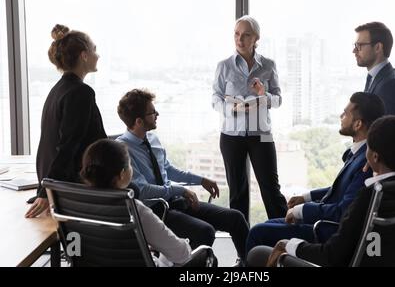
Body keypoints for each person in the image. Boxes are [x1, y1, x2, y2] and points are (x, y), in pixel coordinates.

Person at [247, 115, 395, 267]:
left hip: (337, 257)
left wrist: (288, 245)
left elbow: (331, 255)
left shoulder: (370, 196)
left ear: (374, 157)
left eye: (368, 147)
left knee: (257, 253)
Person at [116, 89, 249, 265]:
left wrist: (201, 180)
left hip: (175, 201)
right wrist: (181, 190)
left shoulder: (153, 139)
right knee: (205, 232)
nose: (157, 114)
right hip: (157, 210)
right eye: (152, 112)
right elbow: (143, 190)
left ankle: (248, 265)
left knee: (236, 218)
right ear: (139, 121)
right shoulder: (122, 149)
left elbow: (168, 170)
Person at [245, 92, 385, 256]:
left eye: (346, 113)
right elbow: (341, 190)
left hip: (326, 230)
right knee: (268, 225)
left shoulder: (365, 164)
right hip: (323, 222)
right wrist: (307, 197)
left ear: (358, 124)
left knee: (258, 233)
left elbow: (343, 212)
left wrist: (302, 210)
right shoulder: (361, 153)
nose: (341, 116)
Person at [80, 139, 215, 267]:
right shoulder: (134, 210)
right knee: (206, 255)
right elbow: (181, 254)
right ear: (122, 174)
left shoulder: (76, 205)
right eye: (130, 165)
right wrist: (182, 244)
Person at [26, 24, 107, 218]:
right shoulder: (80, 92)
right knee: (137, 195)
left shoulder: (58, 90)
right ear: (83, 55)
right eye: (94, 50)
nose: (98, 55)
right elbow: (68, 145)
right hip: (72, 189)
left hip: (59, 185)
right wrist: (46, 190)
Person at [212, 15, 287, 222]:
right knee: (238, 193)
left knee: (271, 190)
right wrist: (230, 107)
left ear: (256, 38)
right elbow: (215, 97)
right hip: (231, 135)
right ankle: (242, 250)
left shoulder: (269, 65)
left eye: (246, 35)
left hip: (261, 133)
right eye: (237, 34)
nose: (240, 39)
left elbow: (279, 99)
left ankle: (281, 242)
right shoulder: (224, 66)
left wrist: (263, 95)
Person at [353, 21, 395, 119]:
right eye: (355, 46)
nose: (354, 51)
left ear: (378, 47)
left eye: (359, 46)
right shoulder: (374, 77)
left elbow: (391, 132)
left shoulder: (391, 85)